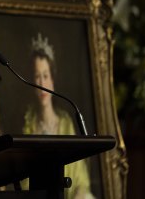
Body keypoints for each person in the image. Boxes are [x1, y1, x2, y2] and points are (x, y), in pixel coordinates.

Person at [22, 33, 93, 199]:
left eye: (45, 76)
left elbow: (80, 180)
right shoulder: (27, 123)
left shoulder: (66, 121)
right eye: (37, 77)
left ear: (53, 80)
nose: (42, 84)